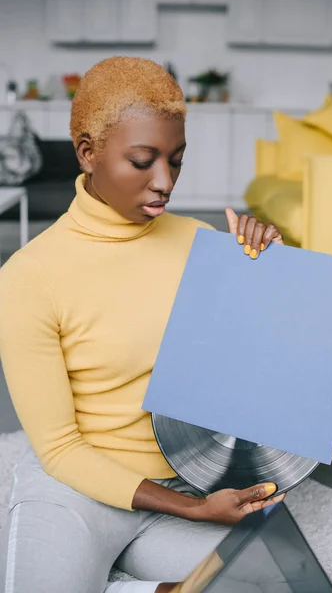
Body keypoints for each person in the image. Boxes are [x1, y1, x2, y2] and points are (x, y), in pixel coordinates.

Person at [0, 57, 284, 593]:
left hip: (187, 480)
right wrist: (194, 511)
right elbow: (59, 448)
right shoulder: (28, 276)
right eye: (142, 161)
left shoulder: (200, 242)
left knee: (272, 582)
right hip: (77, 489)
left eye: (176, 161)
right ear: (88, 153)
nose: (165, 182)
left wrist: (270, 268)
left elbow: (258, 364)